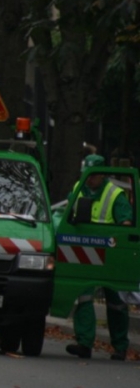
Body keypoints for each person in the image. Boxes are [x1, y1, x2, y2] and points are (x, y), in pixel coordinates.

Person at [66, 154, 133, 361]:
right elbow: (68, 215)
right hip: (85, 253)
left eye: (92, 175)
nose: (88, 179)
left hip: (111, 254)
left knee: (116, 302)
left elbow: (126, 223)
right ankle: (84, 344)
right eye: (86, 175)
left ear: (102, 174)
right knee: (84, 297)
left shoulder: (114, 194)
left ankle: (120, 347)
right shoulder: (78, 188)